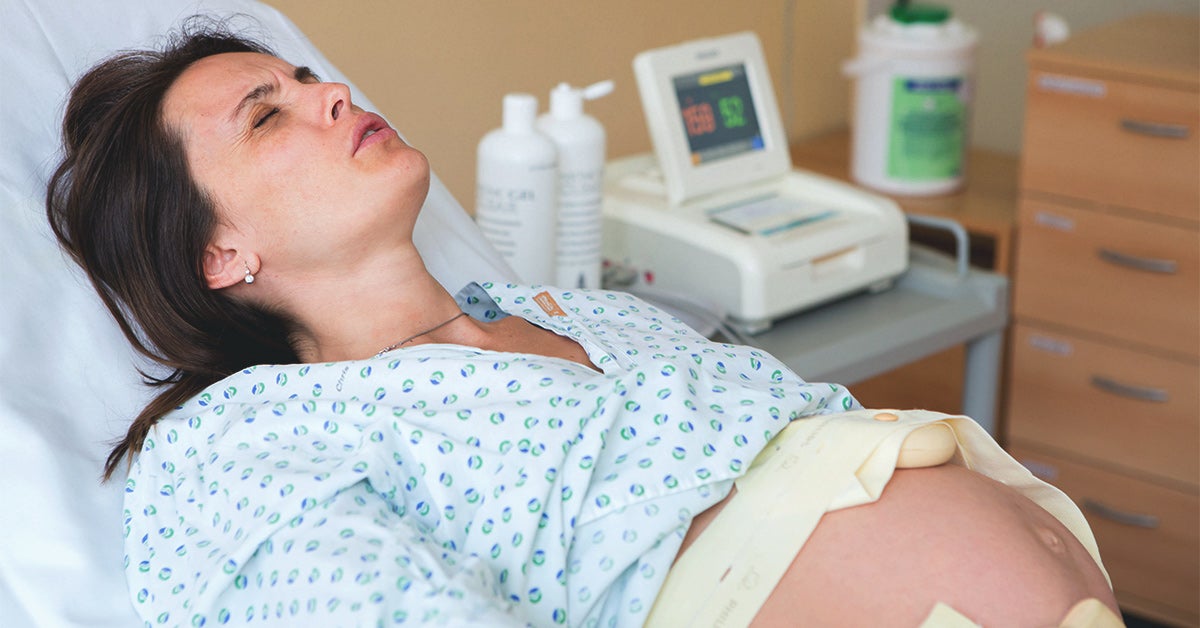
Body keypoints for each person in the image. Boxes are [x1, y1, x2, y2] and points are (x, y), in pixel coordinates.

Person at [46, 22, 1119, 627]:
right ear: (218, 254)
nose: (329, 95)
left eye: (310, 75)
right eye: (268, 113)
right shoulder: (242, 447)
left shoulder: (578, 311)